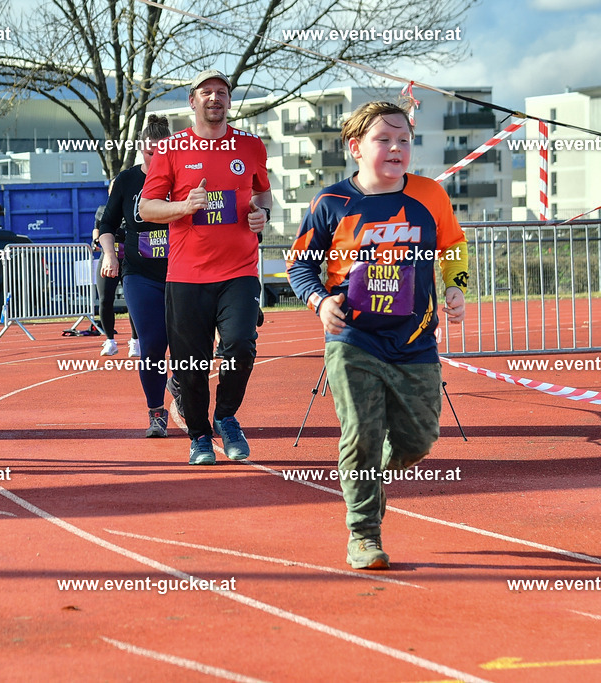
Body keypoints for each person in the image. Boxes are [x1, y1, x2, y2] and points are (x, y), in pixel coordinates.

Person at [286, 101, 468, 570]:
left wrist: (456, 288)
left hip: (416, 342)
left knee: (418, 442)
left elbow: (453, 247)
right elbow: (300, 263)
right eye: (383, 139)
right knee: (361, 435)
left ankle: (367, 475)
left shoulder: (430, 195)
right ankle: (364, 535)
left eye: (404, 140)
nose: (396, 148)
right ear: (355, 148)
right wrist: (320, 302)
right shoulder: (332, 204)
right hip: (353, 339)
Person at [139, 69, 272, 465]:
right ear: (192, 102)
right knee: (190, 363)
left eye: (222, 92)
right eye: (206, 92)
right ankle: (199, 435)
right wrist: (184, 207)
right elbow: (148, 208)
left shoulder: (250, 146)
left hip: (240, 270)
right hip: (186, 275)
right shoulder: (171, 149)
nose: (215, 98)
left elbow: (263, 195)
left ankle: (227, 417)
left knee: (239, 346)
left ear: (229, 101)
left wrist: (261, 216)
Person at [98, 114, 173, 436]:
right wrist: (109, 254)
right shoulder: (127, 181)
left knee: (188, 349)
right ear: (141, 150)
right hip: (139, 273)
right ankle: (156, 413)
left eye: (162, 152)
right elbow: (107, 224)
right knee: (153, 345)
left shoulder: (184, 177)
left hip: (183, 272)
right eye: (149, 152)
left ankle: (183, 389)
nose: (155, 158)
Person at [92, 210, 138, 356]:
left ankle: (135, 341)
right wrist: (95, 240)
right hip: (108, 258)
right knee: (105, 299)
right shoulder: (103, 210)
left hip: (129, 260)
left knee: (133, 300)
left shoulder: (132, 206)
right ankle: (110, 341)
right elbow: (97, 229)